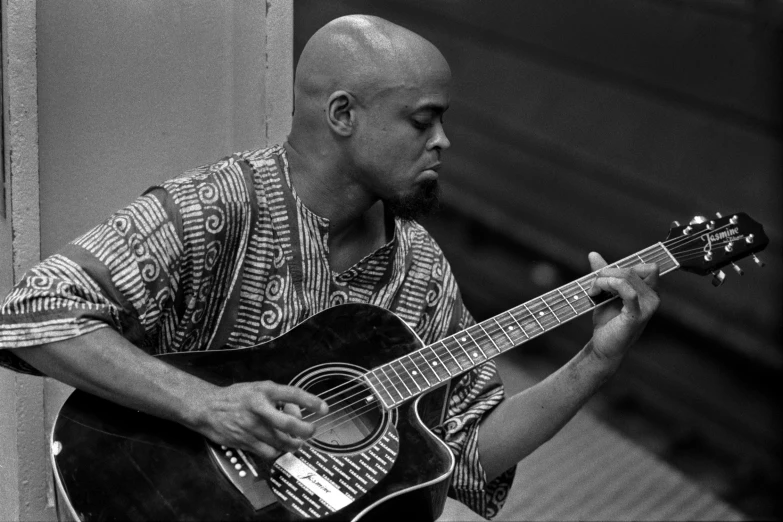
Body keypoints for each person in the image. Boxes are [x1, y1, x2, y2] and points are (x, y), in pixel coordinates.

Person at [0, 14, 659, 521]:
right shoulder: (217, 205)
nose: (442, 142)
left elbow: (467, 457)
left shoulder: (420, 267)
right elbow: (34, 312)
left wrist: (593, 363)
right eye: (421, 121)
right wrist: (207, 405)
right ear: (343, 114)